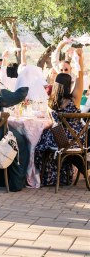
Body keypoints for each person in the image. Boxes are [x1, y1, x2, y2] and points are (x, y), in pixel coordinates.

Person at [34, 48, 84, 187]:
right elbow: (80, 79)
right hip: (75, 140)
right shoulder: (75, 100)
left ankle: (46, 176)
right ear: (70, 86)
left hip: (57, 140)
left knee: (40, 141)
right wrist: (80, 58)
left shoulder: (51, 102)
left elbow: (51, 122)